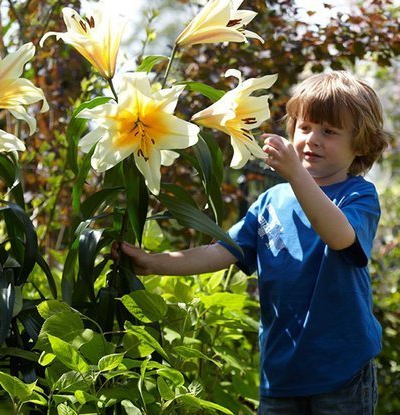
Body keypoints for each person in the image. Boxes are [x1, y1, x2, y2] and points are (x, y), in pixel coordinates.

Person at [114, 70, 390, 415]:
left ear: (361, 143)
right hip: (281, 373)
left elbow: (339, 237)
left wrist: (297, 176)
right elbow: (219, 251)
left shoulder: (358, 195)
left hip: (342, 372)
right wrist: (155, 262)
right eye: (305, 127)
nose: (311, 139)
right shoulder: (271, 201)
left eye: (329, 132)